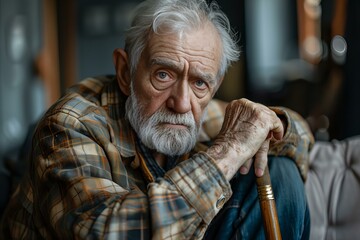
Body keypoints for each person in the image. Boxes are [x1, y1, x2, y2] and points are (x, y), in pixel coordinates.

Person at [0, 0, 314, 239]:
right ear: (125, 72)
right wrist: (228, 151)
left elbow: (302, 136)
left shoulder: (198, 111)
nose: (181, 103)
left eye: (199, 83)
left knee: (281, 172)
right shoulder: (70, 123)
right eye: (163, 75)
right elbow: (108, 233)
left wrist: (270, 125)